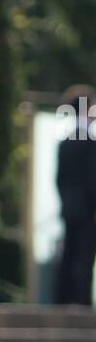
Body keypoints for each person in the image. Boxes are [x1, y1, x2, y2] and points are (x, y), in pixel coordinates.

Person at [55, 83, 96, 306]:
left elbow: (58, 178)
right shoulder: (90, 142)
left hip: (69, 207)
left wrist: (65, 201)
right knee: (85, 257)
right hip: (88, 209)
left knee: (68, 255)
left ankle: (61, 300)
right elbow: (93, 179)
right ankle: (82, 302)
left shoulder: (65, 142)